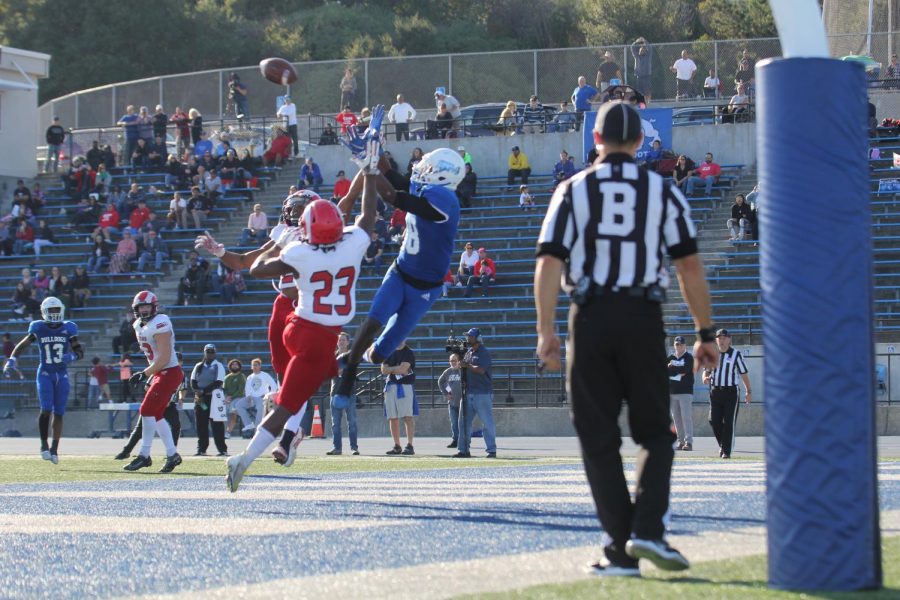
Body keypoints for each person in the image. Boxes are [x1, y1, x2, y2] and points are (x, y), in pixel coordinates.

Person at [534, 101, 718, 576]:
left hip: (590, 317)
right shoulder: (662, 191)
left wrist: (546, 330)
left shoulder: (571, 189)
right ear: (639, 142)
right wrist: (704, 334)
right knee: (656, 433)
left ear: (595, 140)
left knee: (597, 437)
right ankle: (648, 531)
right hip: (642, 315)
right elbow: (690, 267)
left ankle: (619, 548)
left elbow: (549, 263)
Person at [224, 138, 380, 492]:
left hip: (299, 327)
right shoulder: (354, 243)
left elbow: (257, 270)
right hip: (317, 334)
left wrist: (284, 243)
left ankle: (293, 428)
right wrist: (369, 171)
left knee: (320, 378)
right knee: (287, 404)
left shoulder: (300, 252)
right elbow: (367, 216)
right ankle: (244, 460)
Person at [330, 118, 464, 415]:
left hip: (425, 290)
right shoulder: (432, 188)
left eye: (429, 169)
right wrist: (374, 152)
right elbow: (394, 178)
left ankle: (355, 358)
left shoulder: (445, 202)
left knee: (379, 354)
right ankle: (348, 374)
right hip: (401, 271)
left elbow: (391, 195)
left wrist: (369, 165)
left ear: (443, 177)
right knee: (374, 320)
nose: (421, 170)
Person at [194, 190, 320, 466]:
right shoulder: (284, 235)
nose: (296, 215)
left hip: (308, 306)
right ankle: (293, 429)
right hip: (283, 304)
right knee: (285, 378)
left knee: (298, 380)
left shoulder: (324, 235)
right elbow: (244, 262)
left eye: (302, 209)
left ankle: (287, 439)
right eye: (293, 209)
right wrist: (220, 251)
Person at [4, 297, 83, 464]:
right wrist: (11, 360)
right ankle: (43, 445)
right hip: (45, 373)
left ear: (61, 310)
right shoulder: (38, 327)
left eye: (56, 310)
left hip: (61, 375)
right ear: (44, 312)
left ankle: (55, 449)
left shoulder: (69, 327)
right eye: (51, 310)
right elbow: (22, 345)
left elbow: (79, 351)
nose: (54, 313)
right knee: (46, 409)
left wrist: (71, 356)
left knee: (59, 412)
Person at [120, 292, 184, 473]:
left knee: (146, 410)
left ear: (154, 307)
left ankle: (144, 455)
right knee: (155, 414)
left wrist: (144, 373)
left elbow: (164, 357)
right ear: (136, 309)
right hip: (160, 373)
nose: (145, 310)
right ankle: (172, 455)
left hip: (169, 371)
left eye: (147, 306)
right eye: (141, 307)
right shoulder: (138, 325)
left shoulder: (161, 322)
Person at [115, 349, 185, 461]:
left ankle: (172, 451)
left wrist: (181, 398)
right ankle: (126, 451)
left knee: (176, 426)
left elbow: (183, 388)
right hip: (156, 402)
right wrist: (158, 395)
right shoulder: (160, 370)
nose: (178, 363)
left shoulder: (180, 374)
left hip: (169, 404)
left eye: (180, 361)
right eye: (177, 360)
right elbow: (147, 386)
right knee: (140, 429)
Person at [702, 329, 751, 459]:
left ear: (729, 339)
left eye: (724, 338)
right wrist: (705, 377)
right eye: (719, 338)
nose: (721, 340)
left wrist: (748, 391)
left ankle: (726, 451)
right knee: (713, 420)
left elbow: (744, 373)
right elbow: (706, 371)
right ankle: (724, 445)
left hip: (731, 393)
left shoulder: (736, 354)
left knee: (729, 422)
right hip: (715, 391)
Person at [453, 328, 497, 458]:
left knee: (487, 422)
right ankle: (463, 450)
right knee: (463, 422)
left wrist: (468, 366)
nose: (468, 339)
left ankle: (491, 450)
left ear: (478, 338)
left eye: (470, 336)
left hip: (482, 392)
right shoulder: (469, 352)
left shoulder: (483, 353)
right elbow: (464, 366)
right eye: (467, 336)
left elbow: (481, 370)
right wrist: (461, 364)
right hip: (468, 391)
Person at [191, 344, 227, 456]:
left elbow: (218, 382)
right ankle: (201, 448)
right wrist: (197, 391)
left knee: (217, 423)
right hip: (201, 399)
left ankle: (222, 449)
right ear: (204, 353)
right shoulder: (198, 366)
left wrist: (204, 390)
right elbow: (193, 381)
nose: (210, 354)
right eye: (208, 351)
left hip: (214, 398)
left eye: (212, 352)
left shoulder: (218, 365)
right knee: (201, 424)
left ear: (215, 353)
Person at [381, 340, 417, 455]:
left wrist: (391, 369)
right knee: (392, 417)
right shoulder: (389, 351)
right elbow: (383, 370)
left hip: (404, 387)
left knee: (407, 417)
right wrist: (396, 369)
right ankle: (397, 445)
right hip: (391, 387)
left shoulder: (408, 352)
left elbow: (402, 369)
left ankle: (410, 445)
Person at [327, 332, 359, 455]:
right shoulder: (332, 356)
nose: (341, 342)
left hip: (349, 393)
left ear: (348, 342)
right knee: (335, 424)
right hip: (335, 393)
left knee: (352, 422)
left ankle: (354, 447)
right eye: (339, 340)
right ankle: (337, 448)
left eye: (343, 340)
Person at [667, 336, 694, 451]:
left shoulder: (688, 357)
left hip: (685, 391)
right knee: (676, 418)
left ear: (685, 346)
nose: (679, 346)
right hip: (672, 391)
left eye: (681, 344)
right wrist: (677, 371)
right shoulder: (670, 357)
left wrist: (672, 368)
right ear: (674, 345)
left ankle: (689, 442)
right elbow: (665, 371)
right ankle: (680, 441)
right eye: (677, 344)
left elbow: (685, 370)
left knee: (686, 417)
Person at [238, 357, 278, 436]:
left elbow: (274, 386)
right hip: (251, 398)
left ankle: (257, 430)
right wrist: (248, 397)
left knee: (260, 407)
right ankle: (248, 424)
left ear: (260, 366)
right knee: (239, 405)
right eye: (253, 365)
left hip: (262, 398)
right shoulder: (250, 377)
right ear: (251, 367)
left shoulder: (265, 375)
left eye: (256, 365)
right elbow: (247, 388)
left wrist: (268, 395)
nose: (255, 367)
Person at [438, 353, 463, 448]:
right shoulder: (447, 372)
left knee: (462, 423)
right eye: (451, 361)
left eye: (455, 360)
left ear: (459, 361)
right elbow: (440, 382)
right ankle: (455, 440)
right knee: (454, 423)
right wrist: (446, 393)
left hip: (462, 402)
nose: (453, 362)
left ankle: (463, 440)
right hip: (452, 402)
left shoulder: (462, 371)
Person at [223, 359, 248, 438]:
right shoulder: (227, 377)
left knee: (233, 414)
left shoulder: (241, 376)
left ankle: (228, 433)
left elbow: (241, 390)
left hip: (238, 398)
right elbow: (224, 389)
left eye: (236, 364)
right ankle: (224, 432)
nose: (234, 366)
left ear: (239, 366)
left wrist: (231, 397)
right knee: (223, 415)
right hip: (227, 399)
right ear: (230, 366)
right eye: (233, 364)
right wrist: (226, 397)